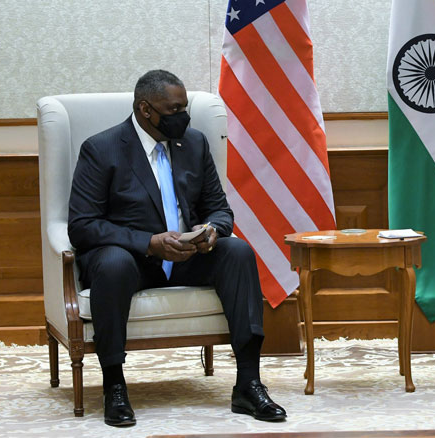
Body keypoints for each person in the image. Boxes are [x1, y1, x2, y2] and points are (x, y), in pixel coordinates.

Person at [68, 70, 286, 427]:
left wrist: (211, 230)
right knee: (113, 263)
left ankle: (248, 384)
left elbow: (220, 209)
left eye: (185, 108)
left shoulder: (194, 143)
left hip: (188, 256)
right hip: (133, 260)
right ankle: (115, 386)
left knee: (238, 253)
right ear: (146, 109)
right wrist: (148, 243)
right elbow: (82, 225)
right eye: (174, 109)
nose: (183, 116)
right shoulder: (102, 149)